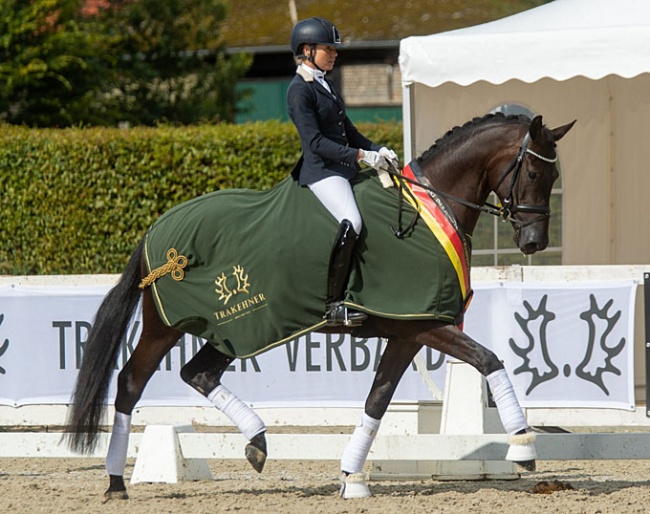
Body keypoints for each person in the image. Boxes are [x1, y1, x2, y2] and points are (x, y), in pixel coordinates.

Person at [287, 16, 399, 327]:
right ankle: (334, 304)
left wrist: (378, 149)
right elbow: (315, 142)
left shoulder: (326, 84)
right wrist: (362, 156)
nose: (335, 54)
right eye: (328, 49)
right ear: (307, 50)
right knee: (353, 220)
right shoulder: (299, 91)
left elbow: (347, 130)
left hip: (343, 167)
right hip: (323, 172)